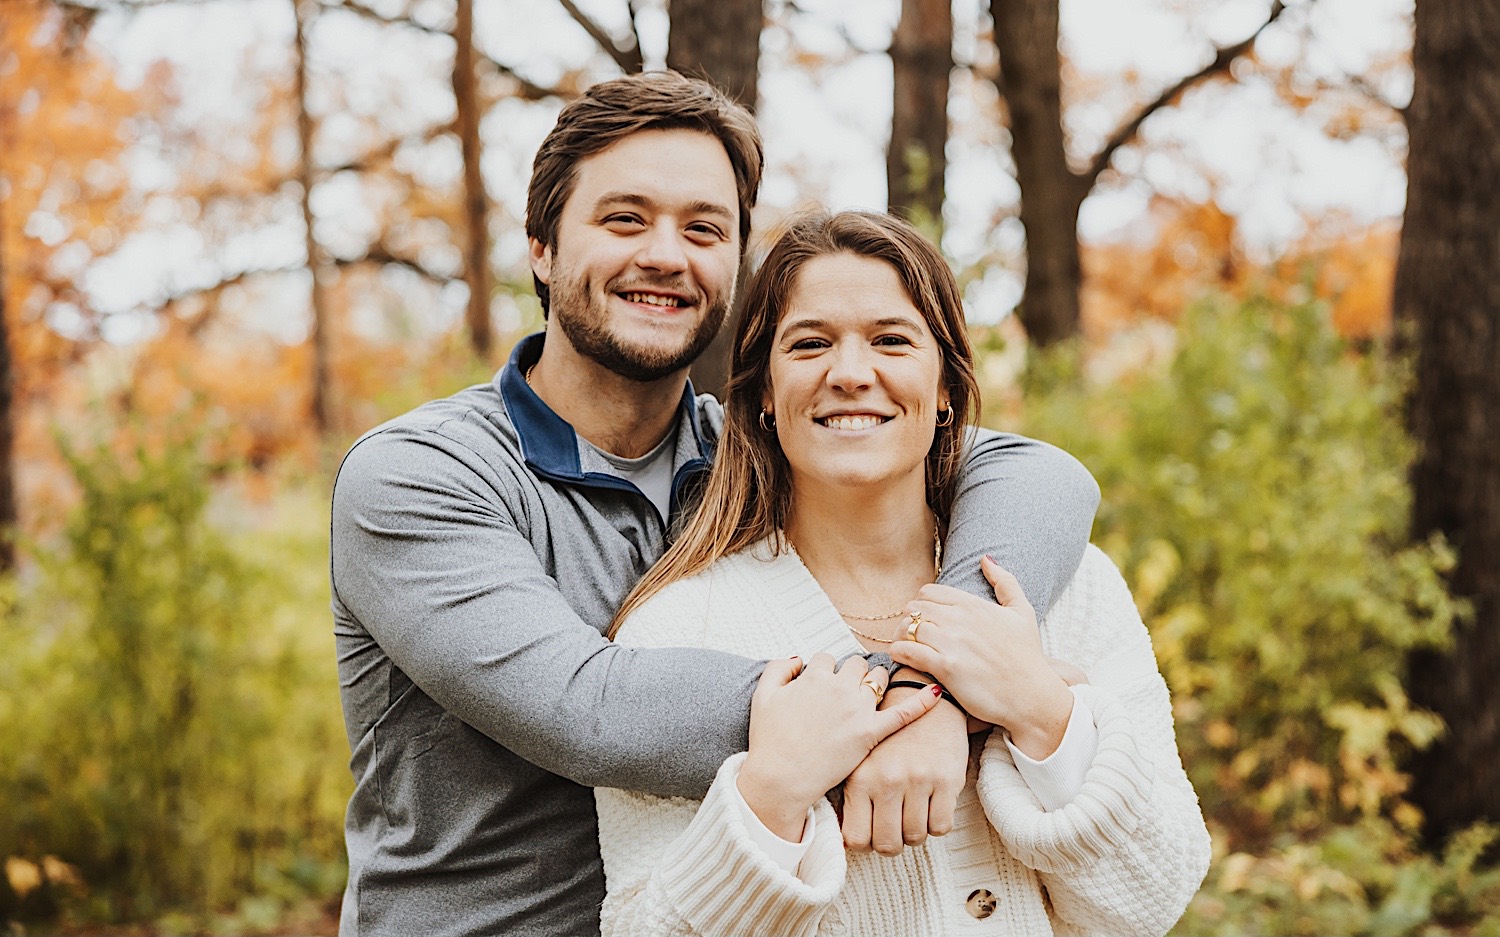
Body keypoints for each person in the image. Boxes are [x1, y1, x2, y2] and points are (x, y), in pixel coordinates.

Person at [329, 72, 1101, 937]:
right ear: (542, 247)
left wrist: (950, 688)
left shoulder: (755, 458)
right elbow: (592, 712)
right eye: (626, 218)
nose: (666, 254)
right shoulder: (421, 476)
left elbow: (1041, 475)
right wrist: (942, 698)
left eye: (704, 228)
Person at [595, 210, 1210, 936]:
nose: (851, 374)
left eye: (891, 340)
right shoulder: (677, 625)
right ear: (763, 392)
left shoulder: (1071, 586)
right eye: (810, 343)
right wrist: (773, 793)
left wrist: (1043, 713)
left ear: (946, 386)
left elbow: (1159, 893)